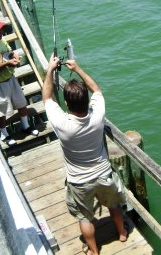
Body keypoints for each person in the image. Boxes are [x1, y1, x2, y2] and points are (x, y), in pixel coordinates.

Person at [43, 55, 128, 255]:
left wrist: (50, 70)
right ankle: (122, 232)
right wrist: (78, 68)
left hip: (79, 181)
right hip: (104, 173)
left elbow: (47, 97)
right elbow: (97, 89)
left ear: (66, 103)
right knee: (114, 205)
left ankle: (94, 250)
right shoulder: (97, 115)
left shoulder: (63, 124)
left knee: (85, 218)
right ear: (86, 101)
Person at [0, 16, 38, 146]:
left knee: (22, 103)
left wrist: (13, 56)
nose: (0, 32)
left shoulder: (1, 38)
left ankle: (26, 126)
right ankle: (4, 135)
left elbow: (9, 52)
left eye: (0, 29)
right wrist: (7, 64)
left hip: (10, 78)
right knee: (1, 111)